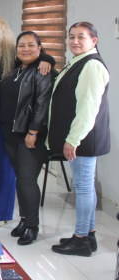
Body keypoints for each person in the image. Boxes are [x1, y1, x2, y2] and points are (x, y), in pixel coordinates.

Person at [0, 14, 54, 226]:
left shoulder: (13, 53)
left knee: (4, 164)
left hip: (6, 114)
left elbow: (37, 59)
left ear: (2, 30)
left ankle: (1, 212)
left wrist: (48, 59)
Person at [49, 22, 110, 257]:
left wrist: (73, 139)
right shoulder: (80, 61)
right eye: (71, 36)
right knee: (86, 186)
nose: (75, 41)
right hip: (81, 137)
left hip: (83, 138)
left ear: (93, 41)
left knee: (83, 187)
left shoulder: (92, 65)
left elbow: (88, 107)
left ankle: (81, 238)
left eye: (81, 37)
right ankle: (89, 234)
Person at [0, 31, 55, 245]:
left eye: (31, 45)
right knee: (21, 180)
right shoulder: (17, 68)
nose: (26, 49)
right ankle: (23, 219)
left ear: (40, 49)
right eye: (21, 45)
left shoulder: (42, 70)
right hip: (11, 133)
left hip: (29, 136)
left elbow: (42, 104)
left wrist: (33, 132)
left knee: (27, 180)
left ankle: (32, 226)